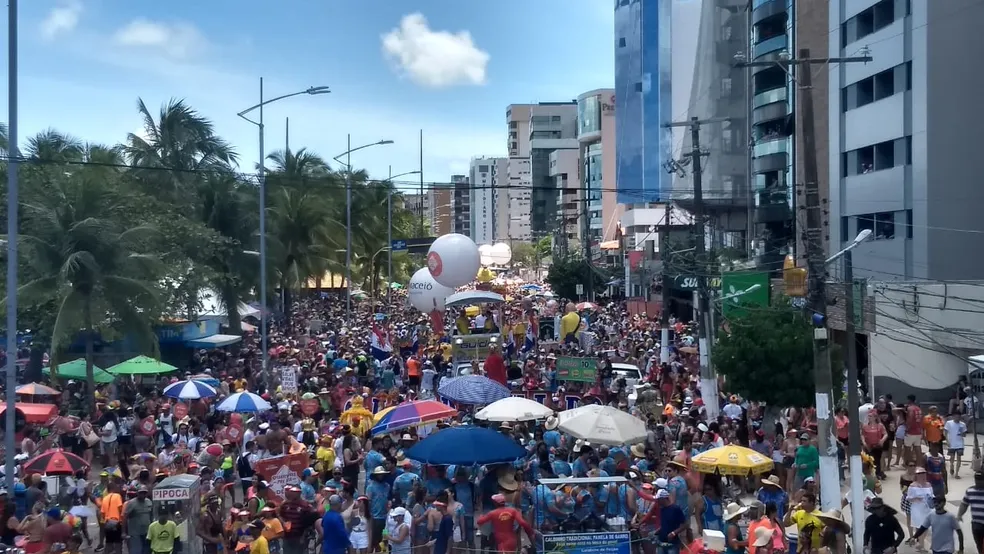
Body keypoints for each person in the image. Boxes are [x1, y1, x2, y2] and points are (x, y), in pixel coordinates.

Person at [958, 471, 984, 554]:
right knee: (979, 546)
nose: (978, 482)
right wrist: (959, 515)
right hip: (976, 525)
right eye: (977, 479)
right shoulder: (970, 491)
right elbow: (964, 504)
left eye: (981, 480)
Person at [123, 485, 154, 554]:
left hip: (147, 532)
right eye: (141, 492)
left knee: (146, 551)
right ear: (137, 493)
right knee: (136, 551)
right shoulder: (131, 503)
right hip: (135, 533)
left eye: (144, 493)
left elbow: (151, 515)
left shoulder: (149, 502)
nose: (143, 494)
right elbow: (125, 517)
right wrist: (124, 532)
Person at [944, 411, 967, 478]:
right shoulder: (949, 423)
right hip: (952, 443)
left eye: (958, 417)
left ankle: (957, 473)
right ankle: (951, 466)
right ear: (953, 416)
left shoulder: (962, 424)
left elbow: (965, 434)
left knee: (959, 458)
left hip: (960, 444)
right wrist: (947, 441)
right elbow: (945, 433)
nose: (957, 418)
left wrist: (962, 433)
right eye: (956, 416)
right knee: (952, 457)